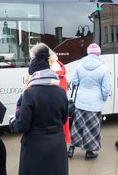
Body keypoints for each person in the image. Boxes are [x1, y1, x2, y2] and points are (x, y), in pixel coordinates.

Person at [9, 44, 68, 175]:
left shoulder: (30, 94)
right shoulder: (61, 92)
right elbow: (64, 120)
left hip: (35, 147)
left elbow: (23, 125)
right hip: (57, 145)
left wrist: (12, 124)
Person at [15, 43, 71, 144]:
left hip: (40, 139)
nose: (31, 62)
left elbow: (27, 121)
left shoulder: (55, 79)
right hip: (55, 140)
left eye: (32, 58)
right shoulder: (56, 79)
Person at [67, 43, 111, 160]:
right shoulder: (103, 68)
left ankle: (71, 148)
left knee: (77, 126)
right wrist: (103, 98)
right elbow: (106, 89)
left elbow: (74, 81)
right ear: (98, 53)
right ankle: (89, 152)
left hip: (81, 101)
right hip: (95, 103)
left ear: (88, 53)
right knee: (92, 128)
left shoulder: (79, 65)